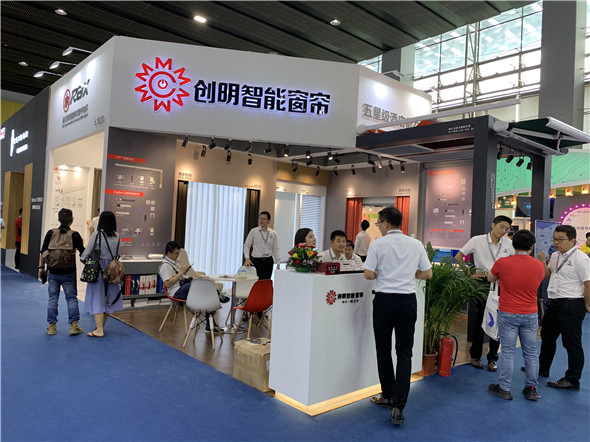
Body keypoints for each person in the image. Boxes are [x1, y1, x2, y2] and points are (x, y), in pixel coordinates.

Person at [364, 207, 432, 426]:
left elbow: (368, 274)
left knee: (383, 350)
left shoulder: (378, 245)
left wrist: (378, 273)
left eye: (378, 223)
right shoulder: (416, 244)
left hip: (384, 301)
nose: (378, 227)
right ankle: (399, 405)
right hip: (407, 302)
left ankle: (387, 394)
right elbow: (428, 273)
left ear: (385, 223)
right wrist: (412, 274)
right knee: (404, 353)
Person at [487, 229, 545, 401]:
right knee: (531, 352)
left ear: (513, 244)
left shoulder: (503, 262)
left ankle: (504, 388)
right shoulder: (539, 265)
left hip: (508, 312)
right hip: (530, 313)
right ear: (532, 247)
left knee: (507, 351)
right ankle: (531, 388)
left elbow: (490, 278)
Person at [455, 215, 514, 372]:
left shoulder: (508, 244)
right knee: (480, 320)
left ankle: (493, 358)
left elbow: (515, 261)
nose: (504, 231)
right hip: (482, 284)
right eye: (501, 227)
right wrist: (469, 274)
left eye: (507, 229)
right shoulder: (477, 240)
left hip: (500, 285)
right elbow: (459, 256)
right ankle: (475, 356)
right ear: (493, 225)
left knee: (498, 321)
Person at [536, 225, 590, 390]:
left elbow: (588, 283)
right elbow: (550, 276)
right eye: (554, 239)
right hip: (554, 302)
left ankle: (572, 379)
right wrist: (542, 263)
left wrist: (587, 304)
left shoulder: (581, 258)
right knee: (547, 337)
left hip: (572, 303)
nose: (556, 242)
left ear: (573, 240)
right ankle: (543, 368)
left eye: (560, 239)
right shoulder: (555, 255)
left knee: (571, 343)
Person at [158, 241, 228, 331]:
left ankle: (210, 325)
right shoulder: (165, 266)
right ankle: (218, 296)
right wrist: (181, 272)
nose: (178, 255)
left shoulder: (175, 262)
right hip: (176, 292)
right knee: (197, 284)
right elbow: (167, 284)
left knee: (206, 292)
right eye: (176, 253)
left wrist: (185, 271)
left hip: (183, 287)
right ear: (169, 253)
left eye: (179, 253)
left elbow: (179, 276)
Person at [38, 208, 85, 336]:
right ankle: (74, 326)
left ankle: (51, 326)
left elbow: (43, 252)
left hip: (53, 271)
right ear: (72, 220)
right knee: (71, 298)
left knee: (53, 298)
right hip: (69, 272)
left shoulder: (50, 233)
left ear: (58, 219)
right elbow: (83, 253)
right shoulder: (75, 235)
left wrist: (41, 268)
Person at [80, 211, 123, 337]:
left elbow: (86, 252)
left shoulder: (96, 235)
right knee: (109, 298)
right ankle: (101, 326)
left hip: (98, 270)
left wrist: (83, 258)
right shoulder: (118, 236)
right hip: (113, 270)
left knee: (97, 298)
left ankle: (99, 330)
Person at [243, 211, 280, 279]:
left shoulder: (273, 233)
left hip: (268, 261)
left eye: (264, 219)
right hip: (257, 261)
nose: (261, 221)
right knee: (255, 281)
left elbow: (276, 248)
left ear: (268, 221)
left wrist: (278, 262)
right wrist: (247, 258)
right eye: (260, 218)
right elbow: (247, 245)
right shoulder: (253, 231)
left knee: (266, 281)